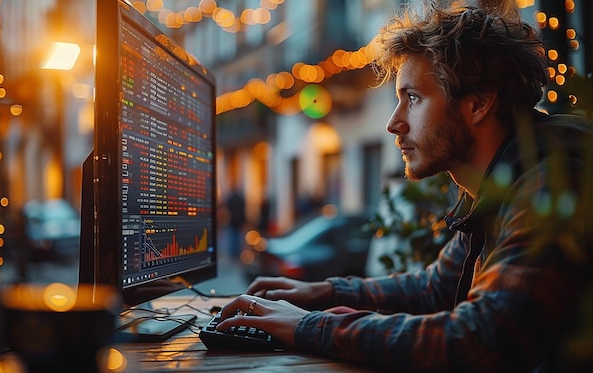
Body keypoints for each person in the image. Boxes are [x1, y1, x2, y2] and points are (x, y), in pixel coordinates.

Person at [216, 1, 593, 371]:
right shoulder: (504, 178)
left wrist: (304, 325)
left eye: (412, 98)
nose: (394, 123)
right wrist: (324, 293)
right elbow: (437, 288)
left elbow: (481, 340)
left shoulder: (552, 179)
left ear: (478, 104)